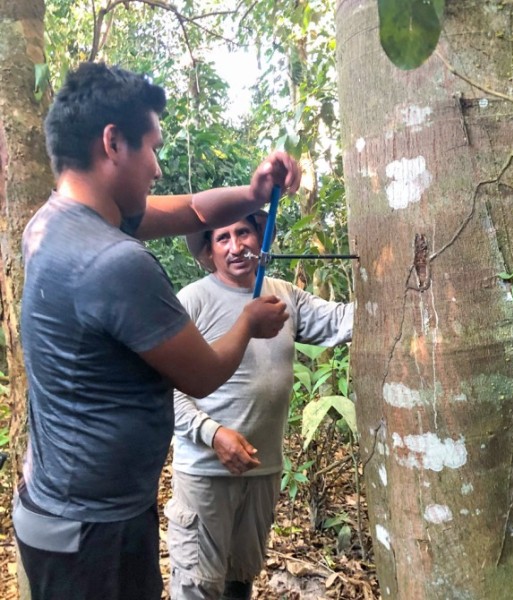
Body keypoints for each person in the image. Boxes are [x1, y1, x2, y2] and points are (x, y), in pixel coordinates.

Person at [12, 61, 301, 600]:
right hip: (93, 536)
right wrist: (248, 321)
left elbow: (191, 210)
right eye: (152, 148)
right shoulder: (116, 262)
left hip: (61, 511)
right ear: (113, 142)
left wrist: (255, 191)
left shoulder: (54, 222)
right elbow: (203, 375)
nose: (157, 169)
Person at [166, 211, 354, 600]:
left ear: (260, 239)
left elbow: (340, 322)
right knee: (198, 587)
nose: (236, 247)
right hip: (205, 473)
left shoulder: (284, 295)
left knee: (240, 580)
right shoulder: (193, 301)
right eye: (223, 238)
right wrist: (213, 434)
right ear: (208, 251)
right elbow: (165, 387)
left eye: (244, 233)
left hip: (262, 471)